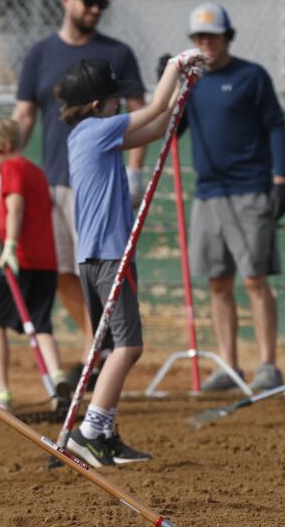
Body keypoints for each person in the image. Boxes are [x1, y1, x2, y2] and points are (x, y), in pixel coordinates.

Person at [58, 51, 204, 467]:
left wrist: (182, 91)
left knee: (115, 349)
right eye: (114, 99)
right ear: (96, 105)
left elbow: (158, 126)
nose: (121, 104)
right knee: (130, 346)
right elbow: (154, 108)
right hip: (108, 258)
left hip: (98, 257)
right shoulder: (94, 131)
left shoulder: (93, 134)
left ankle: (102, 432)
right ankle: (90, 431)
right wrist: (174, 68)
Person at [12, 0, 146, 364]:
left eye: (101, 4)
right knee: (62, 273)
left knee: (96, 269)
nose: (95, 9)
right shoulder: (40, 54)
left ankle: (98, 353)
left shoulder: (117, 53)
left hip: (93, 187)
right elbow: (24, 115)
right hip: (49, 181)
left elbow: (137, 114)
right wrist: (10, 163)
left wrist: (135, 172)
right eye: (88, 1)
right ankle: (96, 347)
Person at [176, 3, 285, 393]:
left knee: (254, 278)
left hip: (249, 190)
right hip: (208, 192)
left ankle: (268, 365)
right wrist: (170, 83)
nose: (205, 43)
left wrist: (278, 180)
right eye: (198, 38)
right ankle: (228, 365)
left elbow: (275, 127)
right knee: (217, 281)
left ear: (227, 37)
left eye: (212, 36)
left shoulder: (251, 77)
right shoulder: (190, 84)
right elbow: (172, 130)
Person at [0, 117, 63, 410]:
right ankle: (59, 382)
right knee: (41, 325)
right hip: (46, 263)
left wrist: (9, 246)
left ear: (6, 147)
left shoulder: (12, 168)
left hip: (17, 261)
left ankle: (1, 390)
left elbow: (15, 206)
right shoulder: (37, 171)